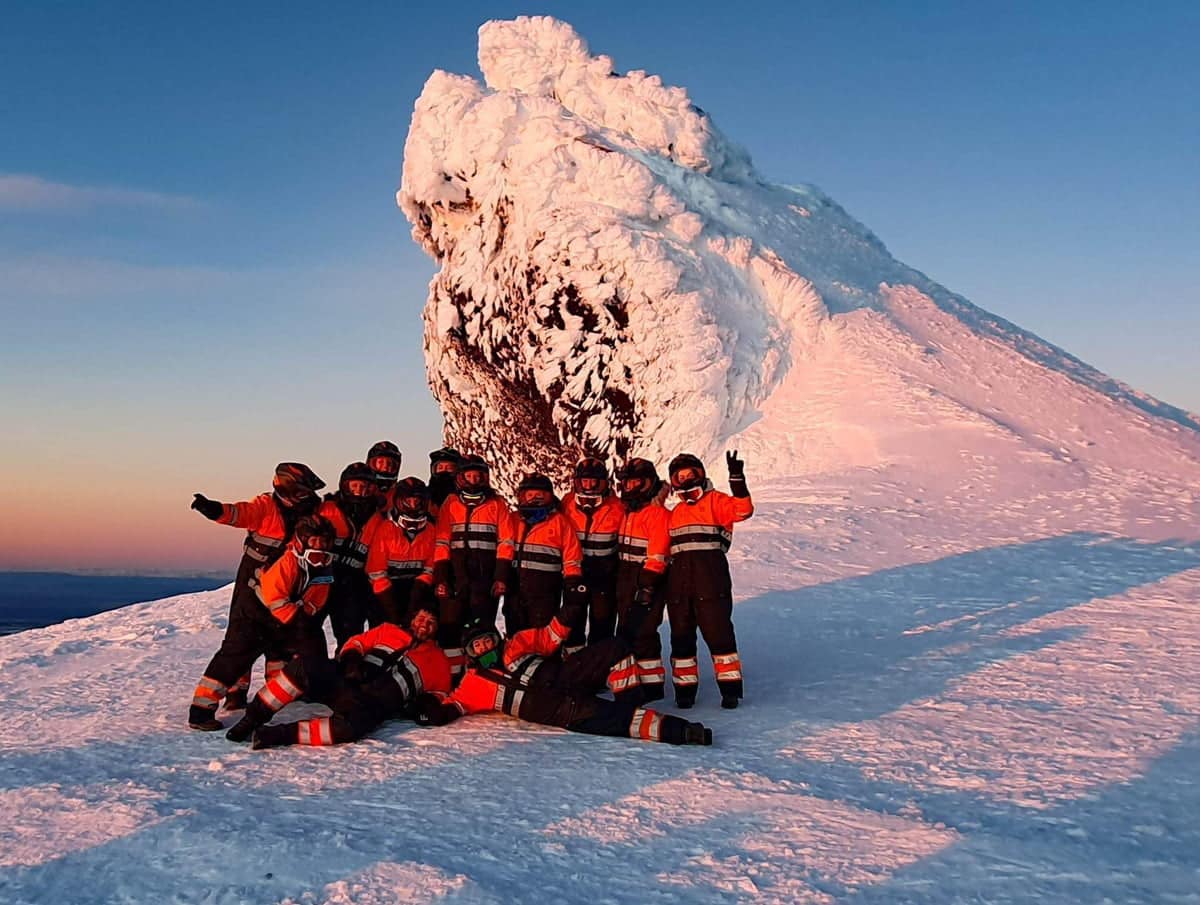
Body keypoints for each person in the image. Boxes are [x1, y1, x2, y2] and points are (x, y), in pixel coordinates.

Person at [412, 600, 712, 746]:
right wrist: (427, 711)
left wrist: (570, 609)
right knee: (624, 724)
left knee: (615, 648)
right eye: (477, 646)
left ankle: (629, 701)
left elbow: (550, 636)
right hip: (562, 711)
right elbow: (451, 707)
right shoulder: (473, 684)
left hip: (568, 675)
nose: (484, 647)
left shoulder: (516, 644)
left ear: (496, 637)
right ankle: (684, 732)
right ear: (470, 653)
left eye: (487, 640)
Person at [189, 462, 325, 711]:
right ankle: (221, 697)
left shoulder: (312, 510)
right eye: (302, 491)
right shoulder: (266, 506)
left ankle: (276, 693)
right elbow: (239, 513)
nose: (308, 496)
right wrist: (213, 509)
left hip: (287, 584)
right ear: (287, 487)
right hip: (253, 585)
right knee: (242, 642)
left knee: (281, 642)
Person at [189, 515, 337, 730]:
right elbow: (275, 599)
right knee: (233, 660)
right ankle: (200, 712)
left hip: (284, 617)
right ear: (302, 540)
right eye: (315, 541)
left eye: (325, 541)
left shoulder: (324, 567)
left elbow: (317, 598)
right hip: (256, 614)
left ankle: (279, 698)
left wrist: (306, 620)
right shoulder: (287, 562)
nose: (320, 546)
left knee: (280, 659)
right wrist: (298, 622)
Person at [226, 609, 451, 748]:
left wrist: (425, 705)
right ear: (413, 618)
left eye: (431, 622)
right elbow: (356, 643)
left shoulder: (438, 661)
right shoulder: (388, 630)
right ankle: (252, 718)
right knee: (305, 666)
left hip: (373, 704)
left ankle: (275, 735)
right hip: (347, 679)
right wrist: (352, 660)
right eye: (422, 618)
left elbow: (440, 693)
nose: (424, 625)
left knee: (349, 729)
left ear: (437, 629)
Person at [665, 451, 753, 710]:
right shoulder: (675, 513)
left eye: (691, 474)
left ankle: (730, 691)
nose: (686, 480)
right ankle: (684, 692)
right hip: (679, 584)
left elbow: (742, 510)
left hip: (711, 579)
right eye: (680, 477)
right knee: (681, 638)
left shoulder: (716, 501)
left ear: (701, 474)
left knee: (719, 635)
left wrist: (737, 479)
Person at [431, 454, 516, 678]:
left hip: (485, 575)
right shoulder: (450, 503)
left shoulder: (497, 504)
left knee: (483, 627)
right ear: (459, 479)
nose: (473, 481)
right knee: (451, 626)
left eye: (478, 476)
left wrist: (501, 576)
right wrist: (440, 576)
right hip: (455, 574)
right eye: (468, 476)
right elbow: (441, 541)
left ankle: (487, 673)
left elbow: (506, 541)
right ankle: (452, 675)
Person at [613, 457, 672, 702]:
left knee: (645, 632)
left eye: (638, 483)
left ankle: (652, 687)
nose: (632, 488)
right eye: (627, 483)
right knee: (625, 631)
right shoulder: (629, 512)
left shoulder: (656, 514)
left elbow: (658, 553)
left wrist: (647, 584)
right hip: (626, 576)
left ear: (649, 483)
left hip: (647, 580)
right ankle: (629, 685)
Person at [503, 473, 587, 636]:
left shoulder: (559, 522)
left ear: (549, 497)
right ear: (522, 497)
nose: (534, 499)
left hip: (545, 591)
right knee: (515, 635)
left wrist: (572, 583)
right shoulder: (512, 520)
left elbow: (572, 557)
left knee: (542, 635)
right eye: (530, 495)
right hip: (515, 588)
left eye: (540, 495)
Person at [561, 457, 625, 652]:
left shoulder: (617, 507)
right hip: (575, 575)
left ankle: (598, 667)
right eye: (584, 481)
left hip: (605, 576)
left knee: (602, 624)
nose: (588, 486)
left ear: (603, 482)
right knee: (573, 623)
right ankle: (574, 667)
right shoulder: (567, 503)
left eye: (593, 481)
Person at [318, 462, 381, 652]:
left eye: (365, 487)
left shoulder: (377, 517)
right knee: (306, 632)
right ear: (344, 486)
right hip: (320, 578)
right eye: (354, 486)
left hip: (354, 583)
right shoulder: (326, 509)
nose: (359, 491)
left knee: (350, 636)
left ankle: (346, 674)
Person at [365, 476, 438, 627]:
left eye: (417, 502)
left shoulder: (431, 530)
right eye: (408, 501)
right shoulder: (385, 528)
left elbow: (430, 569)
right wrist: (392, 612)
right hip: (387, 594)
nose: (413, 505)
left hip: (418, 591)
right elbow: (376, 572)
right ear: (398, 502)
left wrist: (415, 600)